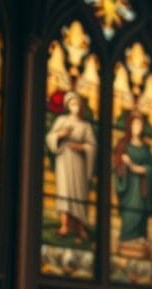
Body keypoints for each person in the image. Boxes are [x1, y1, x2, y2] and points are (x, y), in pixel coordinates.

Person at [46, 91, 97, 243]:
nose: (75, 107)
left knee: (79, 194)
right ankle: (64, 225)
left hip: (79, 162)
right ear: (68, 106)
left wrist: (82, 147)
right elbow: (50, 137)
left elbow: (92, 146)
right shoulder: (62, 120)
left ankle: (80, 227)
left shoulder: (85, 126)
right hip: (64, 160)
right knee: (65, 191)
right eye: (72, 104)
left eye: (77, 104)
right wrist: (60, 134)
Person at [112, 112, 152, 247]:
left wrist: (137, 168)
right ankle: (127, 237)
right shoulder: (123, 144)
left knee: (142, 209)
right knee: (132, 209)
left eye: (140, 124)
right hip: (129, 186)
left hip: (143, 185)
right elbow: (116, 163)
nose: (138, 127)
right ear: (129, 126)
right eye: (135, 124)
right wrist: (123, 164)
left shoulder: (145, 147)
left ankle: (141, 236)